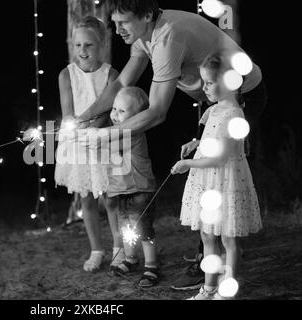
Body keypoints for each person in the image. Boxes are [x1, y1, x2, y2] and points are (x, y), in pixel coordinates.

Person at [77, 0, 267, 289]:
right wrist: (88, 117)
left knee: (222, 177)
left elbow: (156, 112)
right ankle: (209, 259)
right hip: (212, 100)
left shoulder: (167, 38)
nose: (116, 30)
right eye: (114, 23)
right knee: (207, 177)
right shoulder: (144, 38)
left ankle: (215, 270)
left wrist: (104, 134)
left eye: (123, 22)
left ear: (147, 16)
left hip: (243, 95)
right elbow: (118, 87)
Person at [170, 52, 262, 299]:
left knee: (228, 238)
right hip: (208, 180)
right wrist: (196, 143)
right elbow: (213, 139)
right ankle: (208, 288)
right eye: (204, 82)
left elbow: (221, 156)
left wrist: (188, 163)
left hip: (225, 179)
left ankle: (226, 289)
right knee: (207, 234)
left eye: (209, 83)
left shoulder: (233, 113)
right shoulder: (215, 110)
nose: (204, 88)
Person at [54, 16, 125, 272]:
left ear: (102, 44)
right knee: (86, 198)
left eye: (89, 45)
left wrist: (93, 131)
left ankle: (119, 245)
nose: (82, 51)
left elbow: (108, 109)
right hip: (77, 143)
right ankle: (97, 249)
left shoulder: (112, 74)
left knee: (112, 197)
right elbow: (68, 113)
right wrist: (78, 133)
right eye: (78, 45)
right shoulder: (66, 75)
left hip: (104, 140)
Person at [102, 87, 160, 288]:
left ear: (137, 119)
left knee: (143, 230)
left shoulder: (132, 133)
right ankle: (131, 259)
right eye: (114, 109)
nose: (115, 114)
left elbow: (108, 142)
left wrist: (87, 137)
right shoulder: (115, 132)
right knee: (126, 229)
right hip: (122, 191)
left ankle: (152, 266)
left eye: (122, 111)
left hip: (140, 190)